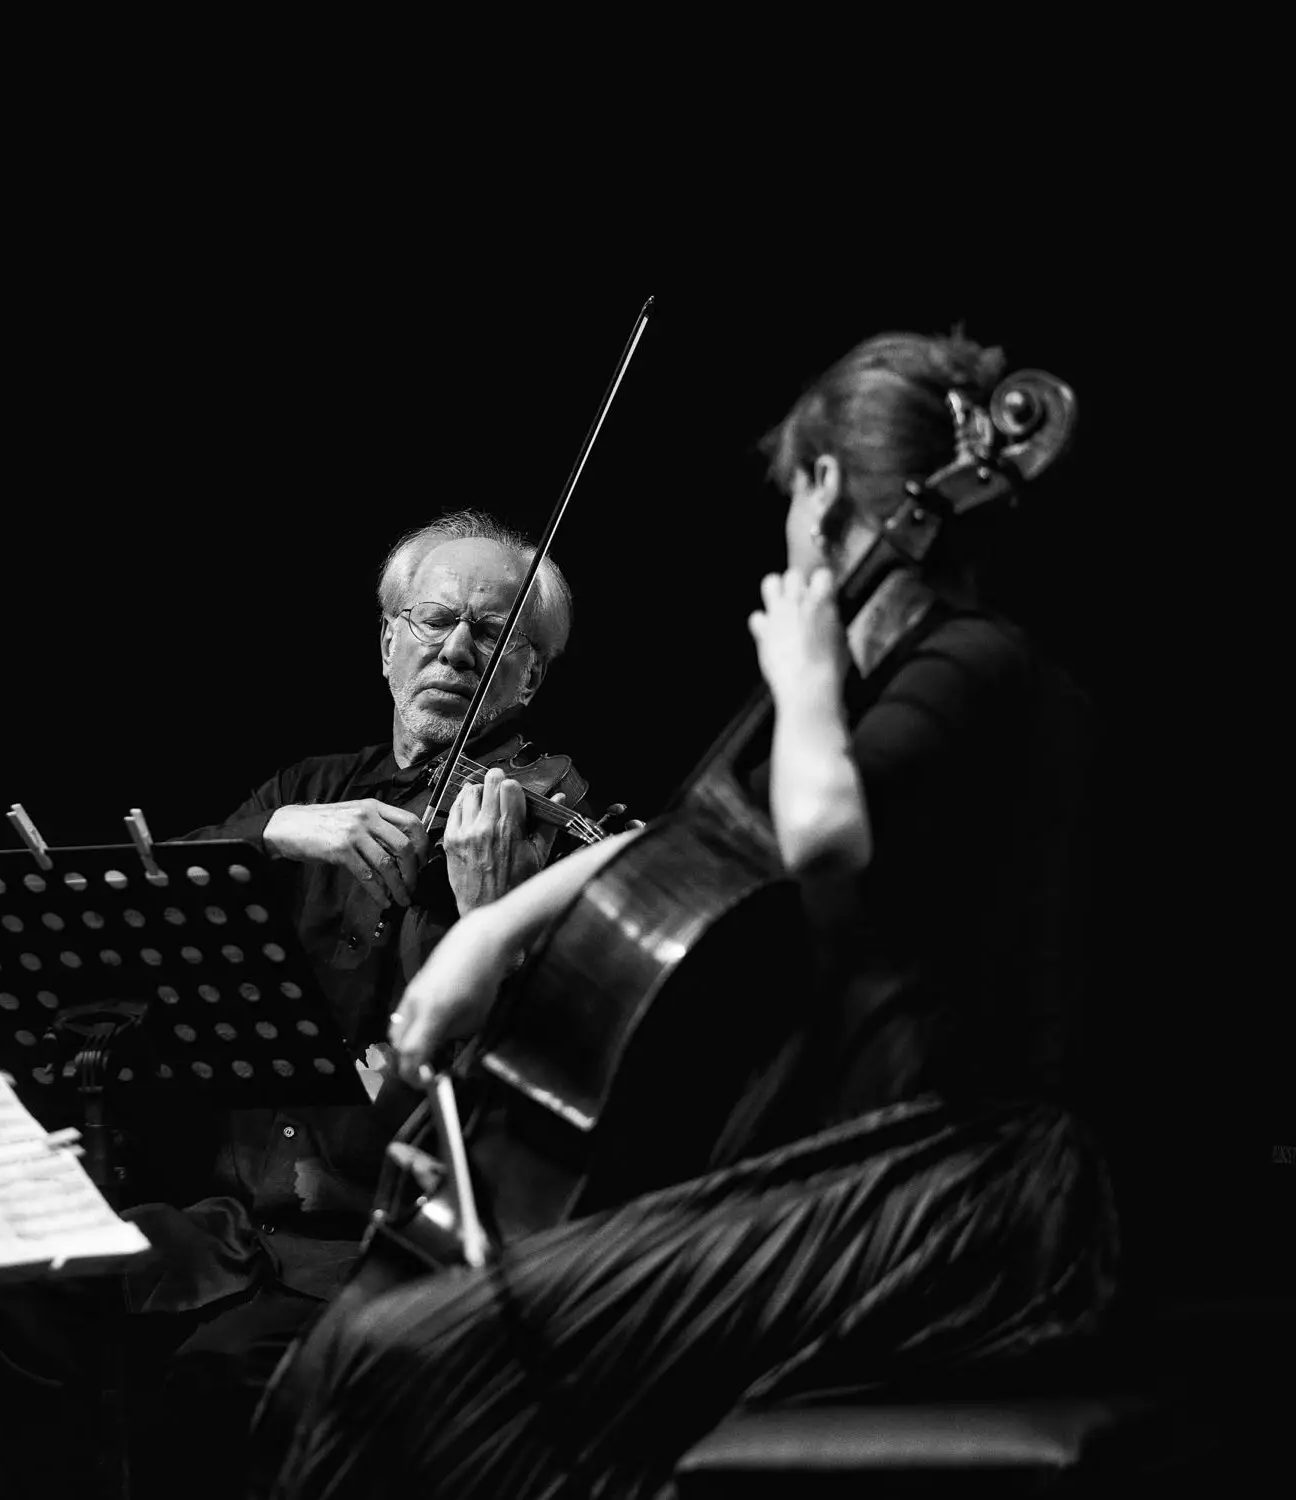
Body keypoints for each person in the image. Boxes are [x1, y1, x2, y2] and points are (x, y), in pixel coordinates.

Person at [250, 330, 1121, 1500]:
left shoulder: (970, 667)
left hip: (953, 1201)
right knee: (412, 1357)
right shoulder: (887, 699)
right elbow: (703, 834)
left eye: (795, 494)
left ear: (824, 486)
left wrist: (804, 680)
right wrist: (492, 932)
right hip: (867, 1179)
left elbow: (817, 834)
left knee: (396, 1355)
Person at [0, 511, 595, 1498]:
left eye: (491, 634)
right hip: (230, 1227)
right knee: (18, 1294)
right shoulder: (313, 789)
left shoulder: (543, 833)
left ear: (528, 678)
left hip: (394, 1247)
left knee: (215, 1384)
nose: (456, 650)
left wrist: (491, 920)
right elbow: (144, 907)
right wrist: (273, 832)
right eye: (434, 619)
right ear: (388, 642)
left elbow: (557, 1077)